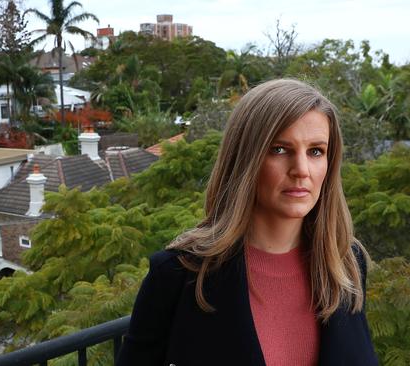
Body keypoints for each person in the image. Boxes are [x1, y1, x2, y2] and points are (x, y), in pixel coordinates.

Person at [116, 79, 378, 366]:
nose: (302, 170)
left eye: (316, 151)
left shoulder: (346, 263)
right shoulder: (179, 275)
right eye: (280, 149)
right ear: (246, 158)